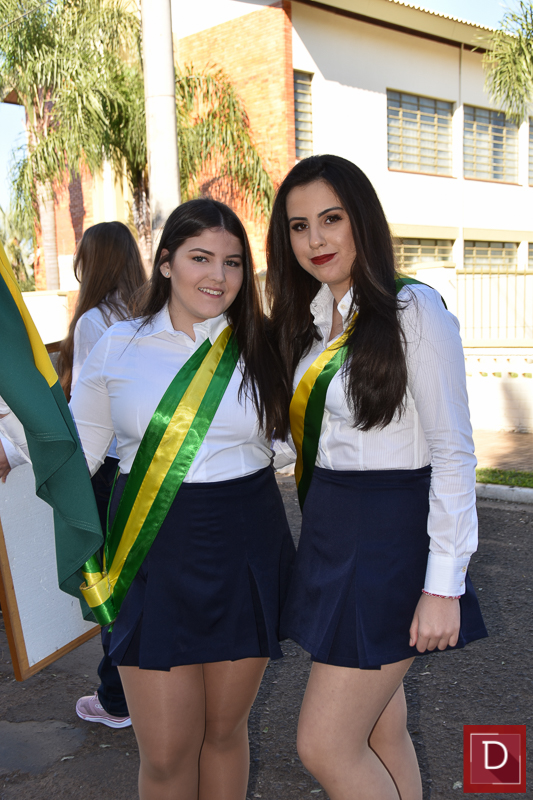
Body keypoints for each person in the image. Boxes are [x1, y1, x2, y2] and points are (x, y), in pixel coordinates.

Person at [266, 155, 487, 800]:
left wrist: (443, 585)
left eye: (331, 219)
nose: (316, 239)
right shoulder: (314, 319)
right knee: (382, 731)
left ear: (362, 219)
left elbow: (453, 452)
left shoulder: (412, 308)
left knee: (325, 744)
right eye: (299, 226)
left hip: (387, 541)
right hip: (332, 532)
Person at [64, 198, 294, 799]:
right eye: (200, 258)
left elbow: (301, 440)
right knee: (166, 752)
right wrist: (13, 445)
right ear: (165, 263)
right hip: (150, 550)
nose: (218, 276)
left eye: (232, 262)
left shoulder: (265, 345)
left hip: (245, 542)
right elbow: (76, 451)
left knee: (224, 732)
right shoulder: (118, 344)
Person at [56, 221, 146, 729]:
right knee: (137, 576)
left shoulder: (95, 320)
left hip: (105, 466)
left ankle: (117, 697)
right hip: (143, 463)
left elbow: (88, 409)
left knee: (108, 582)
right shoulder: (147, 312)